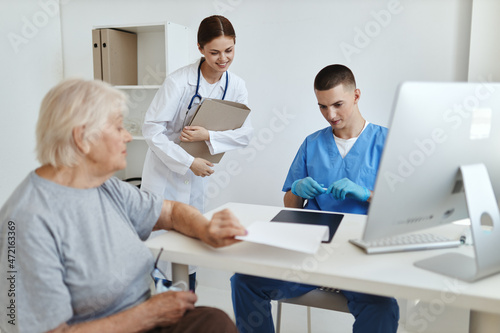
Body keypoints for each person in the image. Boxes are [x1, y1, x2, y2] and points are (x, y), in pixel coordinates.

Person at [0, 78, 246, 333]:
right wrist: (147, 315)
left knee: (214, 321)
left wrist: (206, 229)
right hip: (127, 323)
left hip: (144, 318)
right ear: (82, 138)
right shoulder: (27, 221)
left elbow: (171, 212)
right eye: (118, 128)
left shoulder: (104, 186)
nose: (128, 137)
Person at [230, 64, 399, 332]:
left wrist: (366, 194)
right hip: (311, 248)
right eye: (322, 106)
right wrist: (296, 189)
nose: (330, 115)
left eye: (337, 104)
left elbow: (400, 208)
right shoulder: (312, 143)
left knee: (383, 308)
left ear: (356, 96)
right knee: (244, 282)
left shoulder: (387, 142)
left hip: (358, 252)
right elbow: (290, 204)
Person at [141, 15, 253, 289]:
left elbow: (245, 133)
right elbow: (152, 129)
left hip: (197, 176)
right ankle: (163, 312)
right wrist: (189, 161)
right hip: (165, 174)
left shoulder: (236, 86)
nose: (222, 58)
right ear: (200, 48)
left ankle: (186, 312)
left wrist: (209, 135)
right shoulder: (179, 82)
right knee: (163, 250)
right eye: (214, 52)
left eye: (229, 50)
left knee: (189, 248)